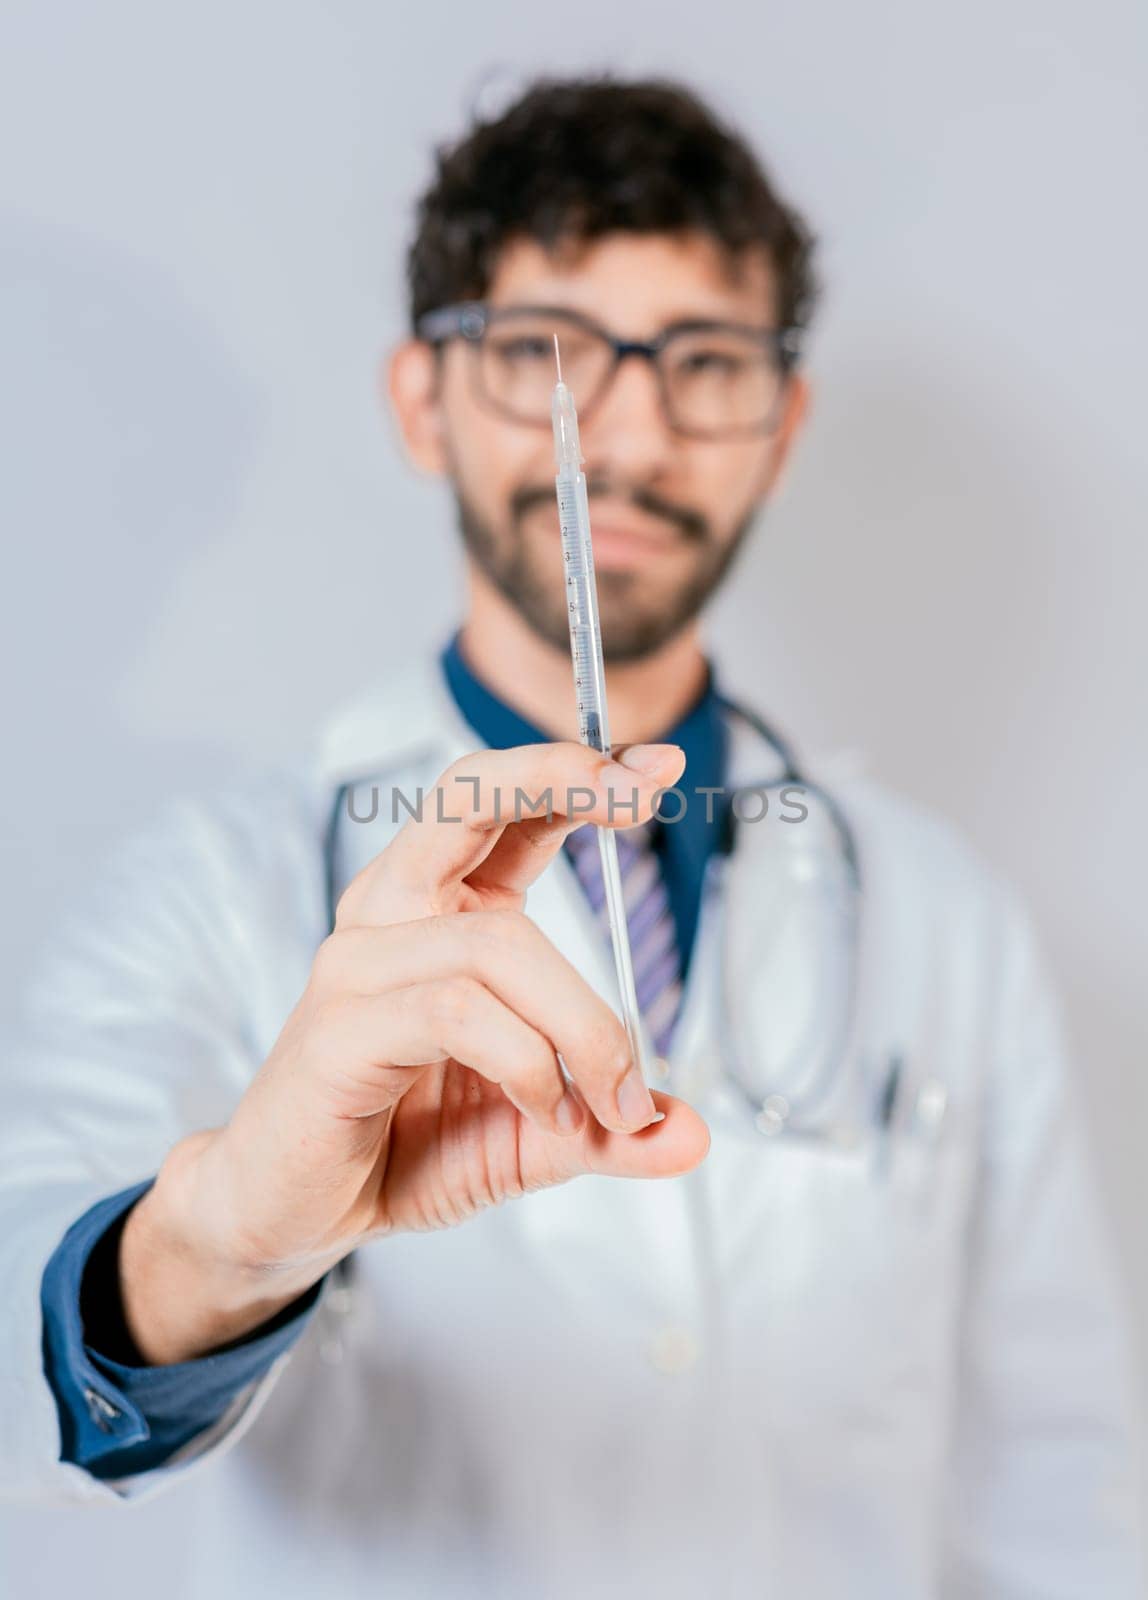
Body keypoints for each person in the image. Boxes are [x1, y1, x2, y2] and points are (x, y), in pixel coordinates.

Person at [1, 76, 1141, 1600]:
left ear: (782, 426)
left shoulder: (947, 923)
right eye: (550, 355)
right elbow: (27, 1353)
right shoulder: (214, 888)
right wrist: (218, 1242)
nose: (632, 434)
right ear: (424, 402)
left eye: (707, 362)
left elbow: (1059, 1497)